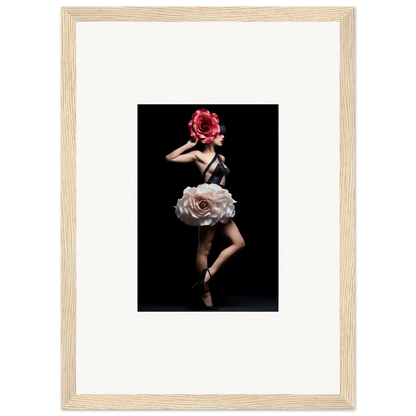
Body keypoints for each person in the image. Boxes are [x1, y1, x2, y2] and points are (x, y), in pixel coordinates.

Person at [165, 109, 246, 310]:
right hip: (208, 203)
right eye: (220, 133)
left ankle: (207, 275)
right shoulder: (198, 155)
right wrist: (188, 144)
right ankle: (205, 292)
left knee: (239, 243)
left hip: (221, 203)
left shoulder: (222, 158)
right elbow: (170, 158)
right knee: (205, 249)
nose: (223, 136)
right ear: (210, 135)